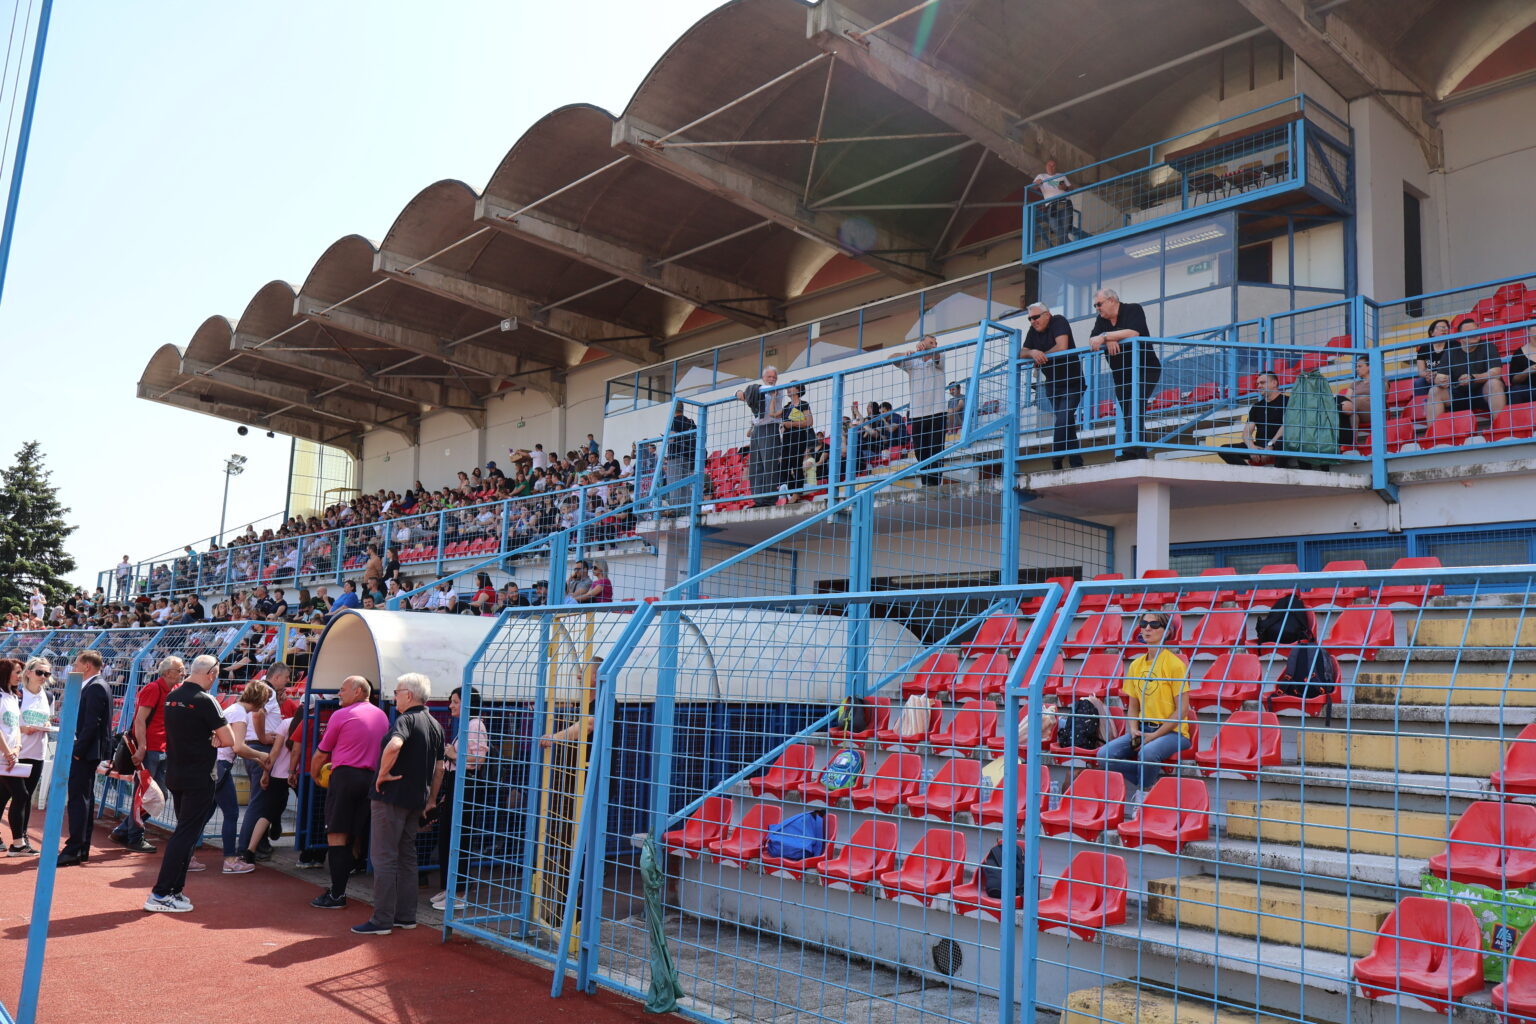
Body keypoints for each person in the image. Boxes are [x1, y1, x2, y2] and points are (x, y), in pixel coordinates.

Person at [351, 673, 445, 935]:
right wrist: (431, 800)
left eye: (397, 692)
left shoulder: (405, 720)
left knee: (384, 857)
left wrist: (382, 774)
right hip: (416, 800)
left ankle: (382, 919)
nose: (394, 697)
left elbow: (394, 745)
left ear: (409, 695)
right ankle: (405, 915)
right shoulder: (436, 725)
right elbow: (439, 769)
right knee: (406, 857)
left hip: (391, 798)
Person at [144, 654, 235, 913]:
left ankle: (174, 890)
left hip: (176, 773)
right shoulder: (206, 700)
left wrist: (212, 735)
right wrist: (214, 735)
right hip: (199, 776)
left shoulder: (172, 697)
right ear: (212, 674)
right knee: (185, 835)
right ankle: (161, 893)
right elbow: (228, 739)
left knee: (186, 833)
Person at [310, 675, 389, 910]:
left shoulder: (341, 715)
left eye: (343, 689)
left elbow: (321, 753)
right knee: (354, 834)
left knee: (336, 835)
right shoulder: (382, 716)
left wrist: (315, 776)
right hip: (370, 779)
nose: (339, 693)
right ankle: (341, 888)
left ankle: (337, 894)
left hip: (345, 777)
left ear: (358, 691)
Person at [1098, 613, 1191, 799]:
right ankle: (1151, 787)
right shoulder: (1136, 665)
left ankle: (1144, 794)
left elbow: (1181, 710)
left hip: (1174, 733)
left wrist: (1154, 736)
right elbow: (1133, 706)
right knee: (1104, 755)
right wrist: (1133, 730)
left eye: (1154, 624)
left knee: (1147, 754)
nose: (1147, 628)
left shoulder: (1175, 665)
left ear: (1167, 632)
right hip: (1142, 729)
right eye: (1144, 623)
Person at [108, 655, 186, 853]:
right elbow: (140, 719)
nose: (183, 673)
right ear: (167, 673)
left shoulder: (175, 689)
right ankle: (134, 836)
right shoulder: (153, 689)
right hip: (150, 749)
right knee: (146, 795)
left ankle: (125, 830)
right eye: (179, 670)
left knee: (159, 795)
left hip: (163, 749)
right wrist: (142, 747)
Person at [430, 685, 488, 912]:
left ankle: (459, 892)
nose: (451, 706)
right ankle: (450, 888)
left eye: (455, 702)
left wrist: (452, 754)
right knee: (448, 837)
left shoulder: (475, 725)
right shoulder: (466, 725)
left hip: (466, 786)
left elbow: (477, 760)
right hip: (456, 784)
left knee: (459, 839)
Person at [1087, 288, 1161, 460]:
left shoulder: (1133, 309)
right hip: (1121, 375)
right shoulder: (1101, 320)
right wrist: (1109, 338)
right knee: (1129, 413)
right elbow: (1092, 340)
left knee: (1135, 407)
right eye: (1095, 306)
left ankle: (1130, 451)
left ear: (1112, 300)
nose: (1097, 308)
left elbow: (1134, 332)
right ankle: (1140, 453)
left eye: (1099, 304)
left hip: (1145, 369)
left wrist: (1106, 336)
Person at [58, 650, 113, 867]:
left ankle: (74, 849)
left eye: (76, 664)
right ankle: (80, 848)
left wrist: (78, 751)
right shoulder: (95, 685)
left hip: (85, 752)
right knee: (84, 799)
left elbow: (92, 724)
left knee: (79, 800)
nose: (73, 667)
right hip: (87, 751)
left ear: (87, 666)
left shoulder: (95, 687)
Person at [213, 681, 272, 875]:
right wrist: (261, 755)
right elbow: (238, 747)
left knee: (204, 814)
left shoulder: (233, 709)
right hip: (221, 765)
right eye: (265, 701)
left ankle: (186, 856)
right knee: (231, 813)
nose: (264, 706)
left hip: (216, 764)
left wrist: (256, 758)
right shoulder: (239, 713)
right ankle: (230, 860)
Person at [1021, 303, 1086, 469]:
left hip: (1072, 382)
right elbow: (1021, 352)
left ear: (1047, 315)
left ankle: (1056, 459)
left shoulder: (1058, 321)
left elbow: (1061, 346)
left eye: (1035, 317)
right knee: (1067, 423)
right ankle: (1076, 463)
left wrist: (1041, 356)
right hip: (1052, 385)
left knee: (1063, 420)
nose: (1032, 321)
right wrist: (1033, 353)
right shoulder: (1033, 330)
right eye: (1030, 319)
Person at [237, 707, 295, 865]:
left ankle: (251, 848)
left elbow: (275, 751)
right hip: (293, 771)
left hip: (276, 770)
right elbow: (294, 751)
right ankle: (248, 848)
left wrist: (266, 772)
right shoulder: (302, 723)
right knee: (263, 806)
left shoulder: (286, 722)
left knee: (267, 808)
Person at [11, 657, 53, 856]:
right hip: (16, 752)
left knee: (25, 797)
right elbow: (7, 723)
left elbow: (48, 719)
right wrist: (23, 728)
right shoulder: (17, 695)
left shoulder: (49, 696)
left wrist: (46, 725)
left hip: (37, 753)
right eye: (39, 672)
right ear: (28, 672)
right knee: (12, 795)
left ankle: (21, 839)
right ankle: (17, 841)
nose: (43, 677)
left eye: (47, 673)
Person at [1428, 321, 1506, 423]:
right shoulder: (1451, 352)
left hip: (1482, 393)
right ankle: (1434, 432)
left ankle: (1500, 426)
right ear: (1461, 337)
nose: (1474, 333)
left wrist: (1473, 378)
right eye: (1470, 331)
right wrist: (1441, 381)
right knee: (1434, 391)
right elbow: (1440, 376)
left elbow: (1496, 373)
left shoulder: (1488, 346)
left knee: (1494, 383)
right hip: (1459, 395)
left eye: (1476, 330)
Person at [899, 335, 948, 484]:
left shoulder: (939, 356)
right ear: (921, 343)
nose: (935, 345)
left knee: (936, 450)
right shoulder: (913, 361)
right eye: (931, 343)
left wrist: (926, 348)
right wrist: (906, 353)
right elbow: (891, 358)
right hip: (917, 415)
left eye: (935, 343)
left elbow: (936, 355)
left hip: (937, 412)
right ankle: (926, 483)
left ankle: (934, 484)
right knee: (920, 451)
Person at [1219, 372, 1288, 466]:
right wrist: (1251, 447)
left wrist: (1271, 445)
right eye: (1257, 384)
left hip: (1278, 444)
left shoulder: (1288, 401)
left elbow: (1286, 426)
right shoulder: (1257, 406)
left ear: (1274, 383)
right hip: (1259, 445)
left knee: (1282, 443)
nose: (1259, 386)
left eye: (1262, 383)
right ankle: (1249, 473)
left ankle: (1279, 473)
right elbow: (1246, 432)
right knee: (1224, 449)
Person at [738, 366, 783, 506]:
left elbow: (756, 392)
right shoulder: (758, 390)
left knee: (769, 464)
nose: (772, 379)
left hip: (770, 427)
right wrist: (738, 392)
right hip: (757, 429)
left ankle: (769, 499)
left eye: (774, 377)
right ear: (763, 378)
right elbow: (742, 395)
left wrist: (745, 392)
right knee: (755, 466)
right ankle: (758, 499)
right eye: (769, 377)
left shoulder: (777, 390)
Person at [0, 660, 29, 855]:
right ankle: (18, 844)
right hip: (3, 756)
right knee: (21, 794)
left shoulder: (12, 696)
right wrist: (7, 751)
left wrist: (17, 747)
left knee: (3, 796)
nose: (20, 676)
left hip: (10, 756)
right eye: (17, 672)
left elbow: (15, 727)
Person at [777, 383, 816, 493]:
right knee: (783, 465)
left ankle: (797, 492)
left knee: (796, 464)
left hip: (799, 437)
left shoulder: (804, 404)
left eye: (791, 387)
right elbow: (773, 414)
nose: (788, 389)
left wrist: (791, 424)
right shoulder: (787, 407)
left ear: (798, 390)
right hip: (786, 438)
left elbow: (809, 422)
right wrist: (774, 398)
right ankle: (790, 489)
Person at [1032, 157, 1075, 248]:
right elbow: (1033, 187)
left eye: (1053, 166)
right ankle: (1069, 245)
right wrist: (1036, 183)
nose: (1052, 167)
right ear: (1046, 166)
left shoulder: (1061, 175)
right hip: (1051, 205)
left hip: (1065, 202)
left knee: (1065, 227)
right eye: (1049, 165)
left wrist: (1065, 188)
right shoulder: (1041, 176)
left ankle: (1063, 247)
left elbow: (1071, 188)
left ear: (1056, 167)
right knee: (1054, 226)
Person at [1414, 319, 1453, 397]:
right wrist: (1427, 375)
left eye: (1445, 327)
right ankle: (1422, 403)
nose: (1443, 329)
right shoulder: (1424, 347)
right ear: (1432, 333)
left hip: (1448, 376)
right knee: (1419, 383)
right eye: (1440, 327)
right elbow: (1421, 371)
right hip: (1431, 378)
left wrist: (1437, 374)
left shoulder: (1453, 344)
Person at [1508, 327, 1536, 406]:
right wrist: (1528, 371)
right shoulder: (1519, 353)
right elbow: (1513, 381)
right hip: (1530, 391)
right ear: (1528, 331)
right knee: (1516, 391)